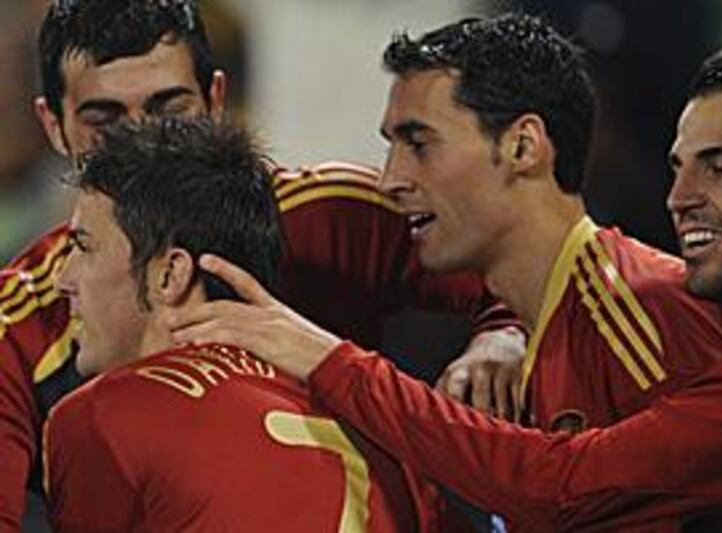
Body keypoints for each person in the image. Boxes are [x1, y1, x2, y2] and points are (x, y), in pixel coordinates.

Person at [167, 17, 722, 531]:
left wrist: (326, 358)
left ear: (523, 147)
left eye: (420, 143)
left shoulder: (647, 308)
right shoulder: (545, 322)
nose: (392, 179)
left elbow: (562, 486)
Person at [0, 1, 524, 528]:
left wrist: (506, 333)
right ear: (54, 126)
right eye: (106, 122)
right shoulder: (16, 326)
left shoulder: (332, 214)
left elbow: (537, 255)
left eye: (169, 112)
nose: (144, 149)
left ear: (216, 100)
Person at [44, 116, 442, 532]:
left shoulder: (101, 416)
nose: (63, 280)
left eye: (83, 248)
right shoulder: (387, 434)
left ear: (169, 274)